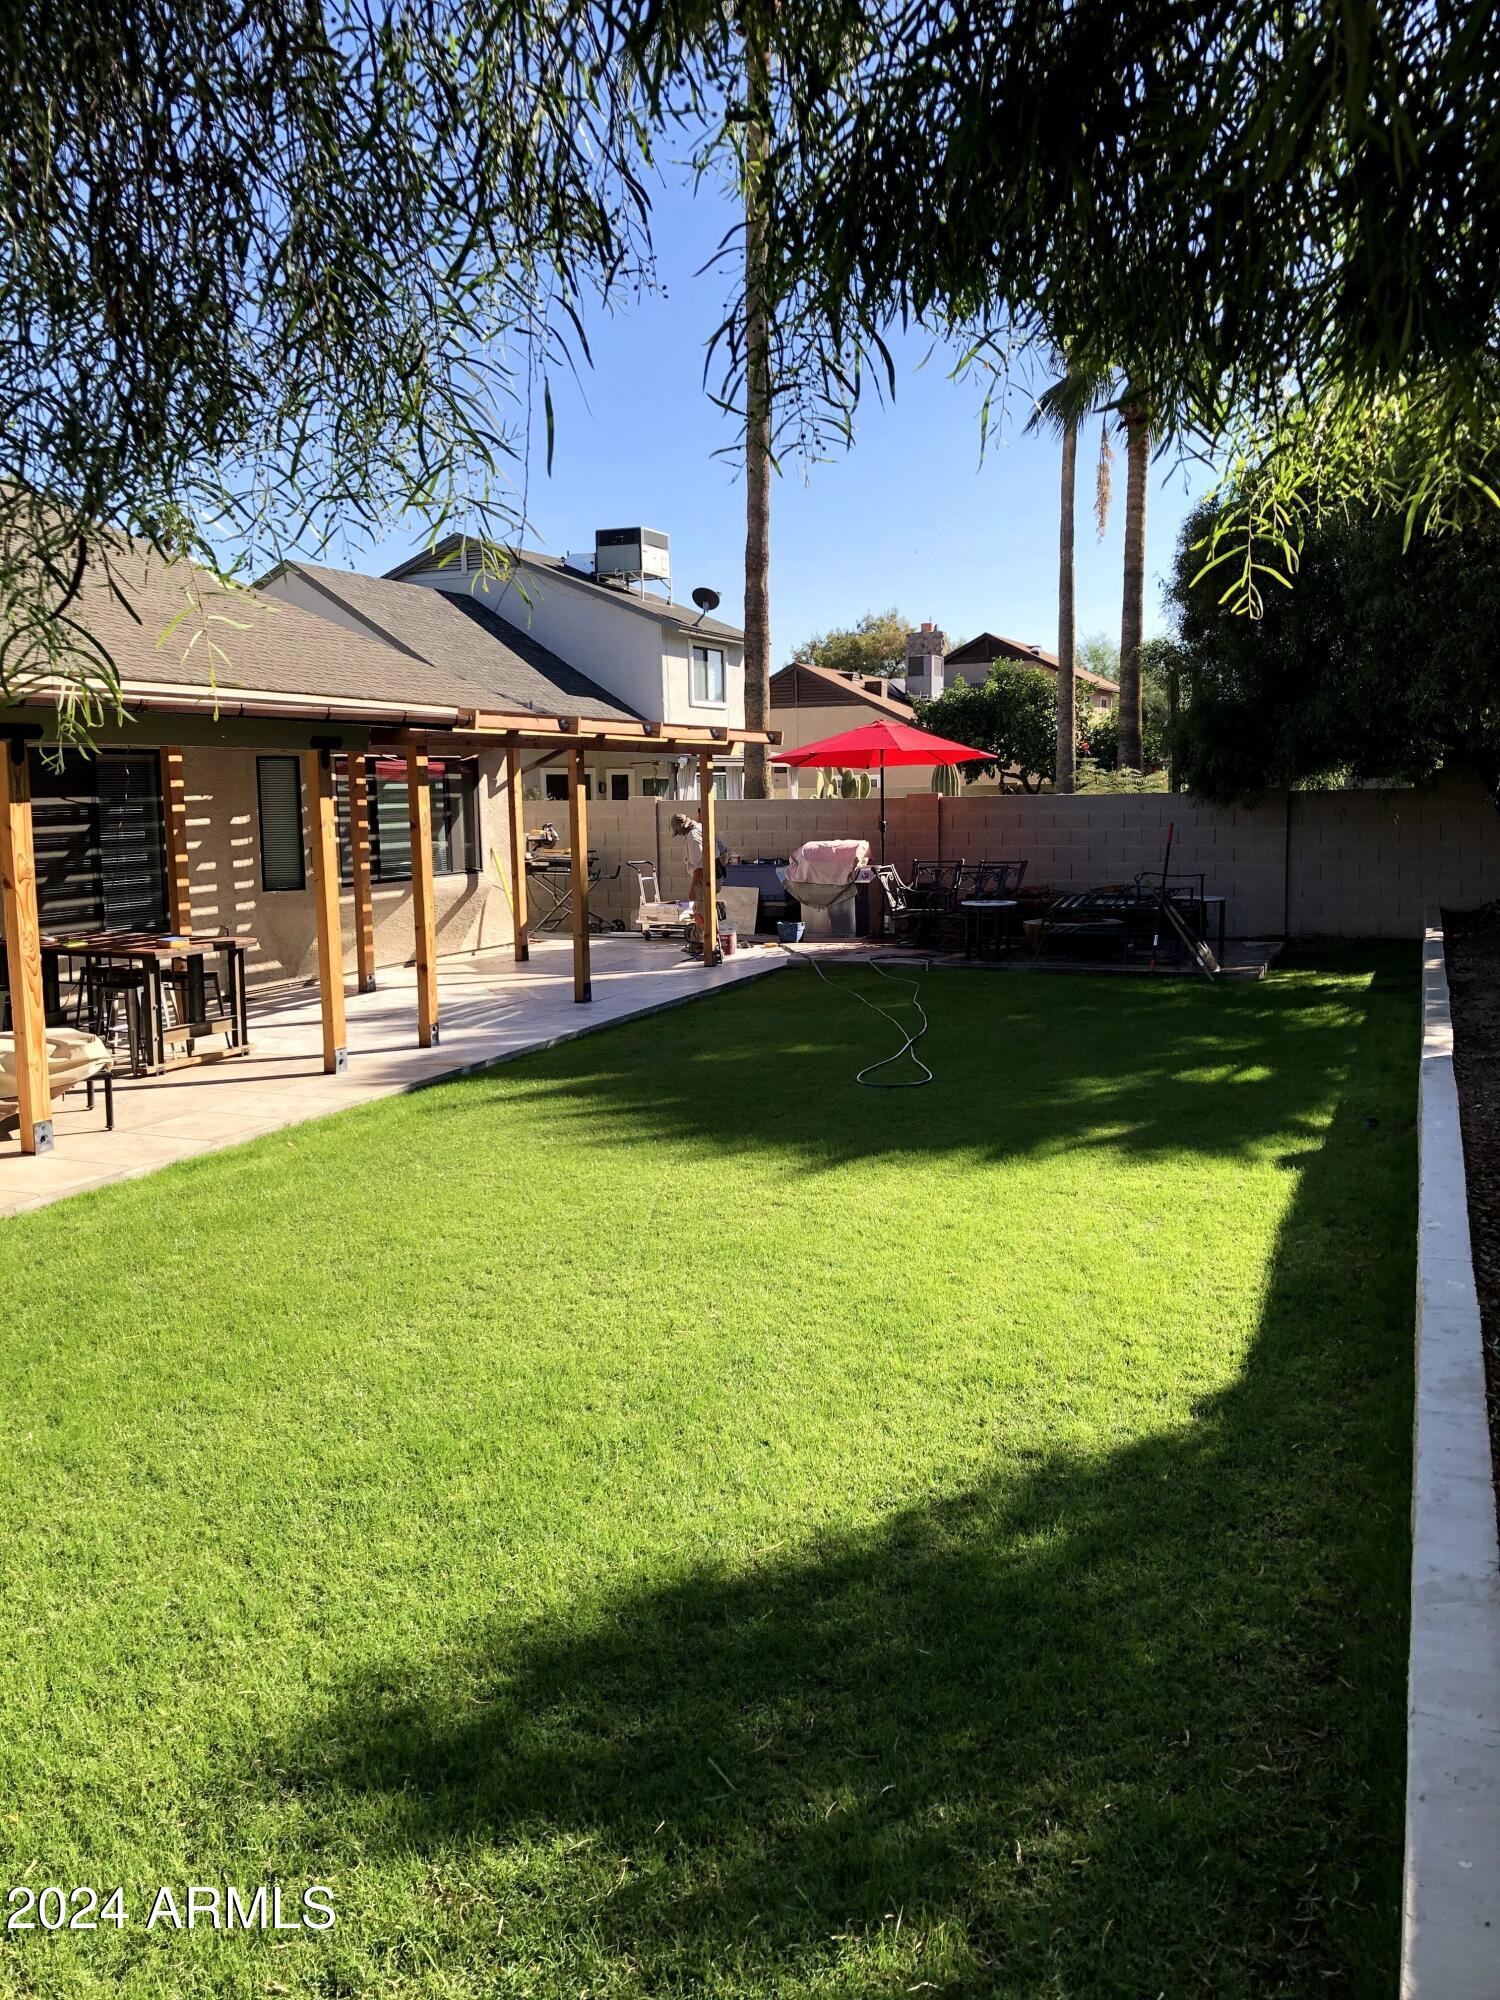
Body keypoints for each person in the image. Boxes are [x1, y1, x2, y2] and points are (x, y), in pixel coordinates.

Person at [670, 810, 728, 958]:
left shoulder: (693, 836)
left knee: (702, 912)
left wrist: (693, 888)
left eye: (678, 832)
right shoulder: (702, 828)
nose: (680, 835)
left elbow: (699, 867)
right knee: (704, 910)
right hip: (715, 875)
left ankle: (705, 946)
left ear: (681, 828)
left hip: (705, 879)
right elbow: (723, 850)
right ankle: (701, 942)